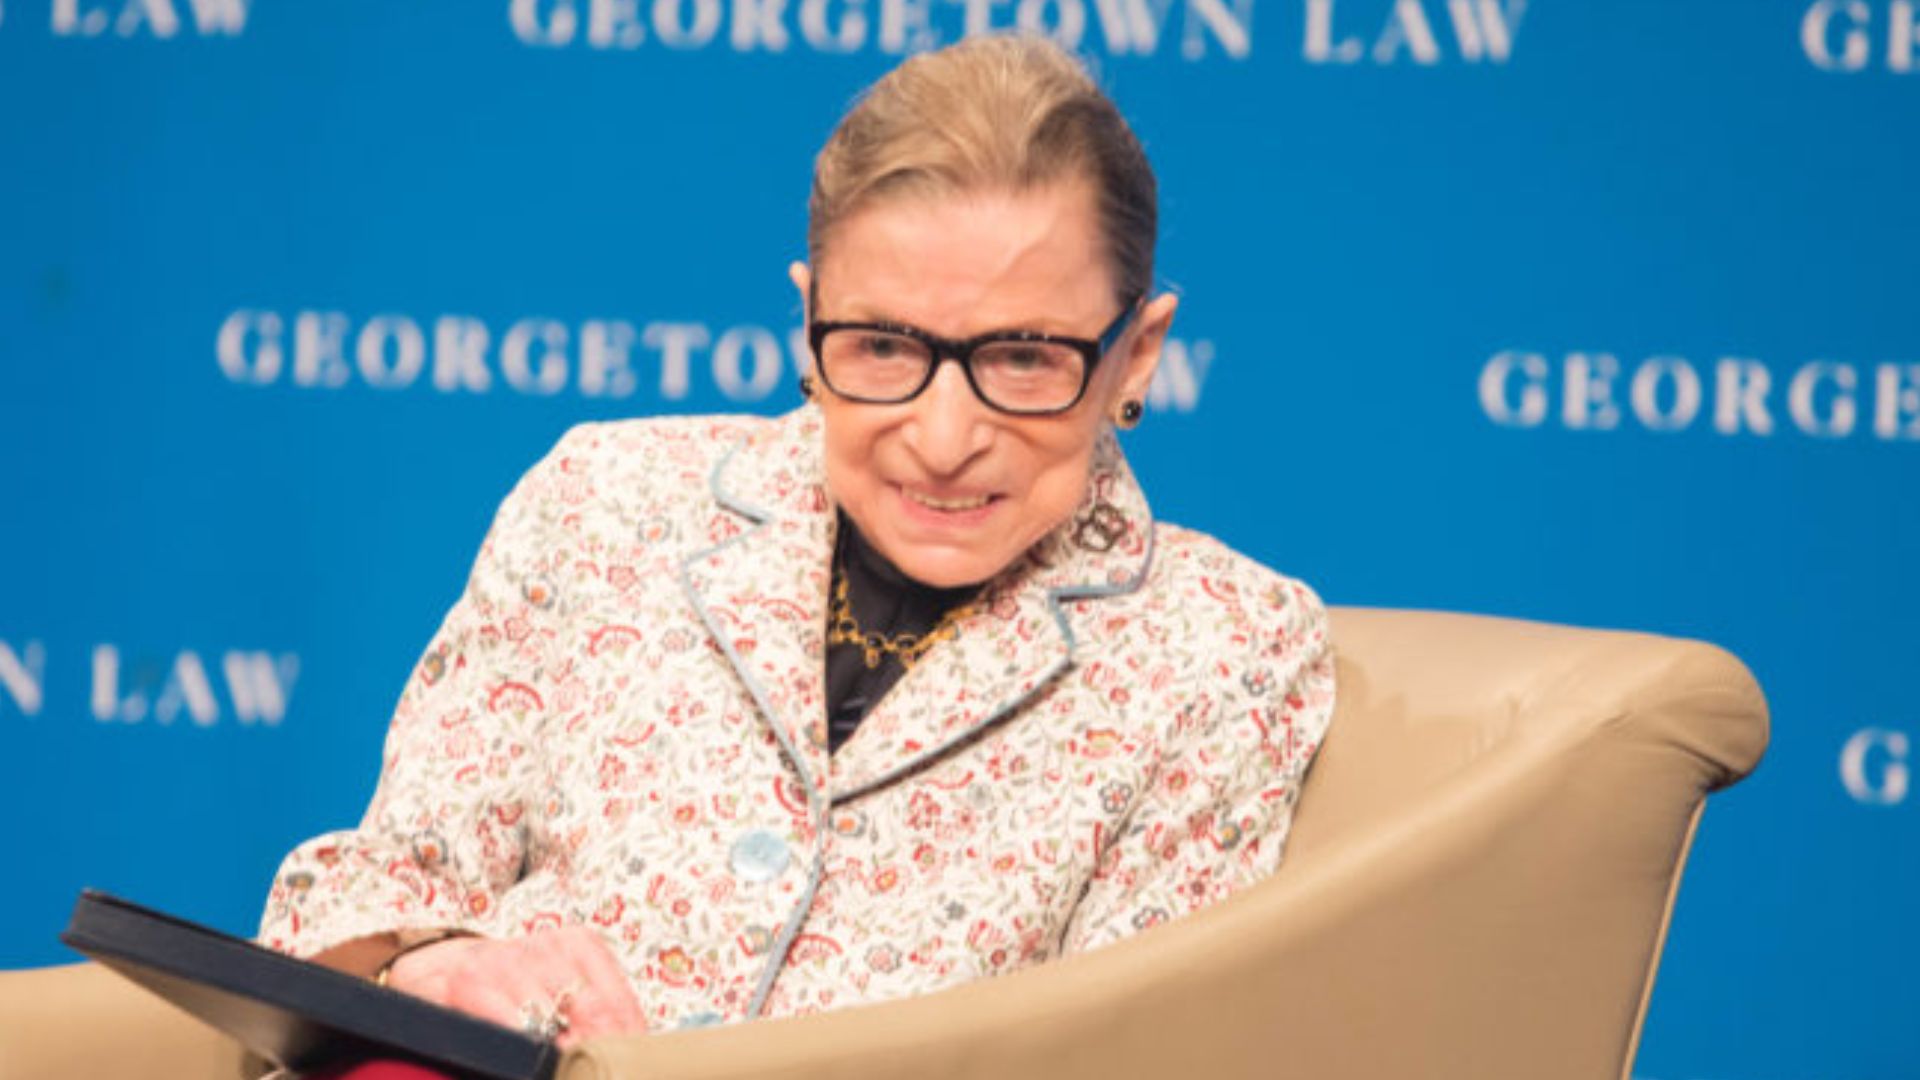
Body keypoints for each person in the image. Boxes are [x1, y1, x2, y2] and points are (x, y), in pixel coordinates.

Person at [258, 32, 1336, 1054]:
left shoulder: (1227, 648)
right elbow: (375, 878)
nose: (946, 438)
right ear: (807, 324)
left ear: (1135, 355)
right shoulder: (604, 497)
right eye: (880, 346)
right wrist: (433, 962)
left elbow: (1127, 1056)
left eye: (1022, 359)